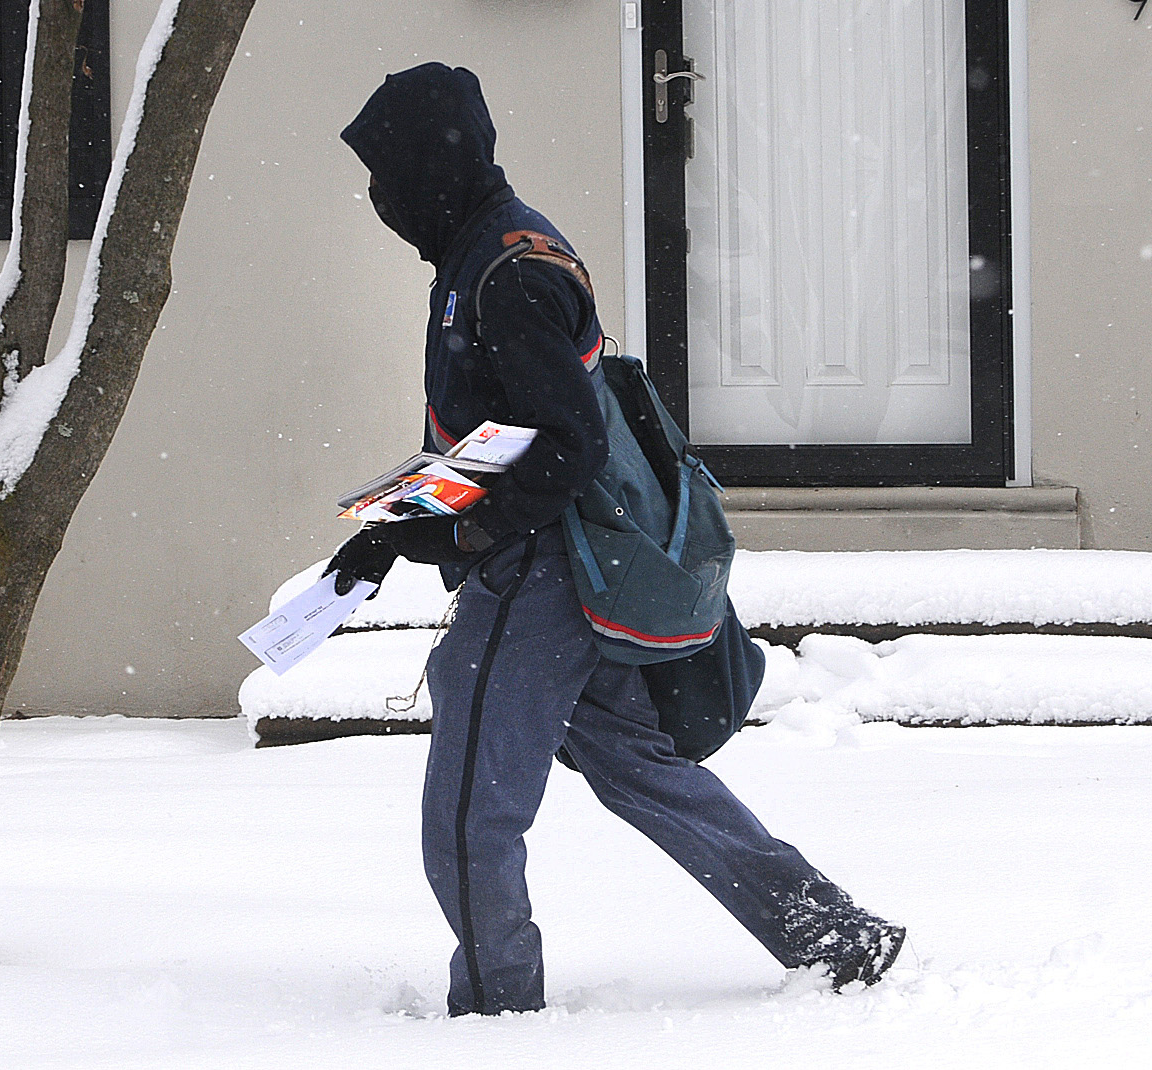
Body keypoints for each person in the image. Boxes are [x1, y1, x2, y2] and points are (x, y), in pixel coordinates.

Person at [328, 62, 904, 1017]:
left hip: (535, 581)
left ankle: (496, 1011)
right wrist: (395, 528)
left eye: (386, 177)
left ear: (438, 167)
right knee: (641, 770)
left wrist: (467, 534)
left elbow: (562, 446)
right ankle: (829, 930)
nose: (380, 200)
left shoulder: (504, 275)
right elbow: (497, 434)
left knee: (470, 813)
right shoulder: (495, 248)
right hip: (569, 571)